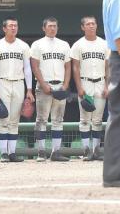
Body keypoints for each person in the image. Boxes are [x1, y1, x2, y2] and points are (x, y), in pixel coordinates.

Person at [0, 17, 34, 162]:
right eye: (10, 26)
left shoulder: (23, 46)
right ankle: (3, 153)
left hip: (19, 82)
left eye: (15, 25)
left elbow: (27, 69)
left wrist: (29, 89)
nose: (13, 28)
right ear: (4, 29)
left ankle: (12, 153)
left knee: (14, 120)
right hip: (2, 82)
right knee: (3, 119)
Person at [30, 17, 72, 162]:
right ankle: (41, 151)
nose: (52, 28)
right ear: (44, 28)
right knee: (41, 119)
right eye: (49, 26)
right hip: (44, 85)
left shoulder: (64, 44)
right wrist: (43, 84)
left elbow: (68, 66)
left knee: (58, 120)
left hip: (60, 85)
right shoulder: (37, 44)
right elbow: (34, 66)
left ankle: (56, 152)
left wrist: (65, 85)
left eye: (55, 26)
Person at [71, 15, 109, 161]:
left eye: (93, 23)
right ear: (83, 27)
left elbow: (108, 67)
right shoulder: (78, 45)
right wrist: (79, 87)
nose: (91, 26)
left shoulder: (104, 44)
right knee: (85, 119)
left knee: (98, 119)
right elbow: (75, 67)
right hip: (85, 82)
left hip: (100, 82)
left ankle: (96, 151)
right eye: (88, 24)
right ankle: (86, 150)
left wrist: (107, 85)